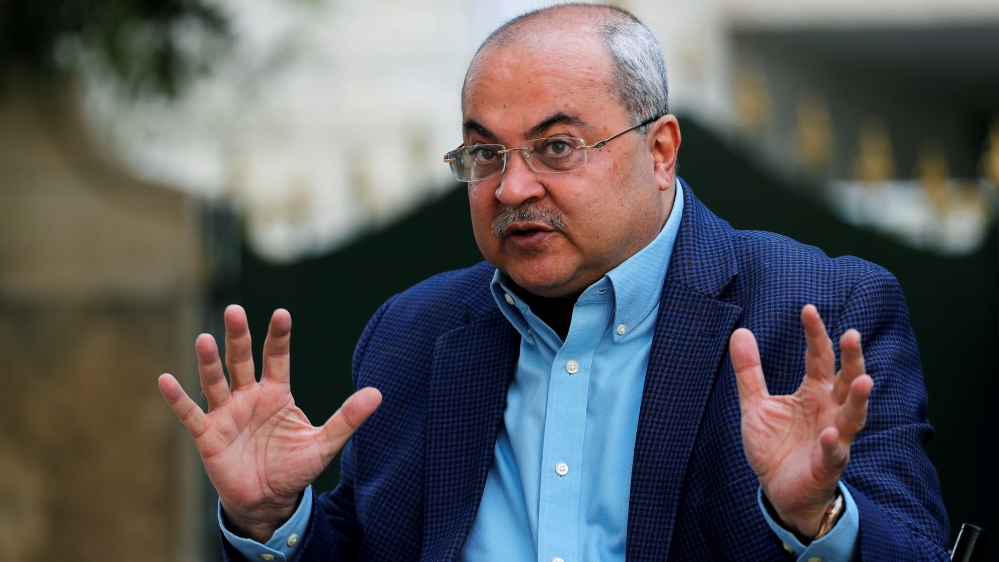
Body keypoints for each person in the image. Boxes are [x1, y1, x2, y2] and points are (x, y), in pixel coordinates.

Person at [158, 4, 949, 561]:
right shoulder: (414, 332)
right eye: (484, 154)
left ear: (661, 149)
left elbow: (913, 551)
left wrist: (817, 520)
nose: (510, 190)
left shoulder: (816, 310)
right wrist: (270, 519)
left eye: (557, 148)